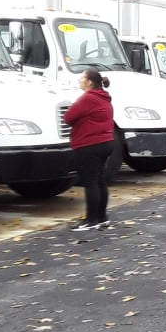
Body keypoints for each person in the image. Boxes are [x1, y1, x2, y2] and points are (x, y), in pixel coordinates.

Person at [63, 69, 115, 232]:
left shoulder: (88, 98)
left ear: (89, 82)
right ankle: (102, 217)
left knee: (90, 182)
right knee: (100, 180)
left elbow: (68, 117)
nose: (80, 81)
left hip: (89, 145)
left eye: (82, 78)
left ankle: (91, 220)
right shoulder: (105, 98)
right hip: (106, 142)